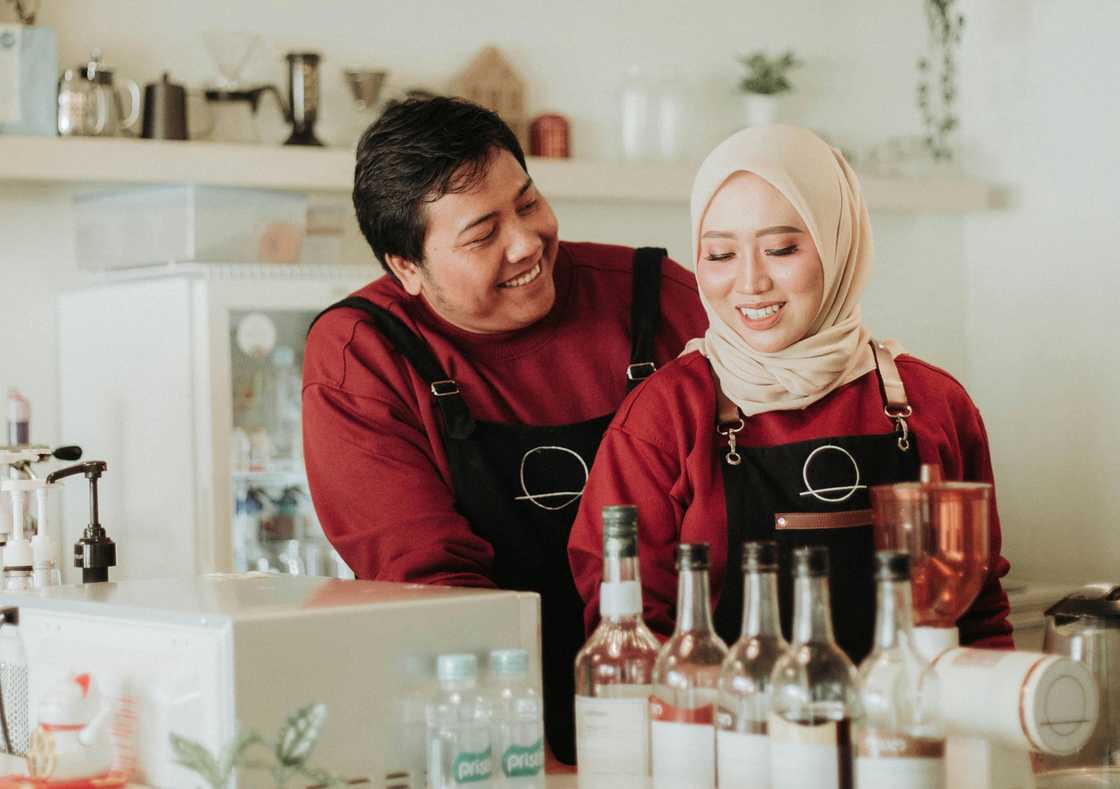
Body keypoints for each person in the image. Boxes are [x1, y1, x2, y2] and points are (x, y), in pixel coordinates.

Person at [302, 97, 707, 762]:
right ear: (406, 268)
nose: (526, 243)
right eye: (482, 234)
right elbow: (429, 585)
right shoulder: (363, 353)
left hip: (682, 718)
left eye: (528, 203)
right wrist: (524, 754)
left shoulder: (659, 297)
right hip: (491, 727)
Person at [567, 125, 1012, 661]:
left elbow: (980, 614)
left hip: (907, 713)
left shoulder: (934, 402)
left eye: (780, 249)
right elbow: (630, 630)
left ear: (838, 243)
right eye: (720, 254)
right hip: (720, 715)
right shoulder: (666, 415)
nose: (750, 282)